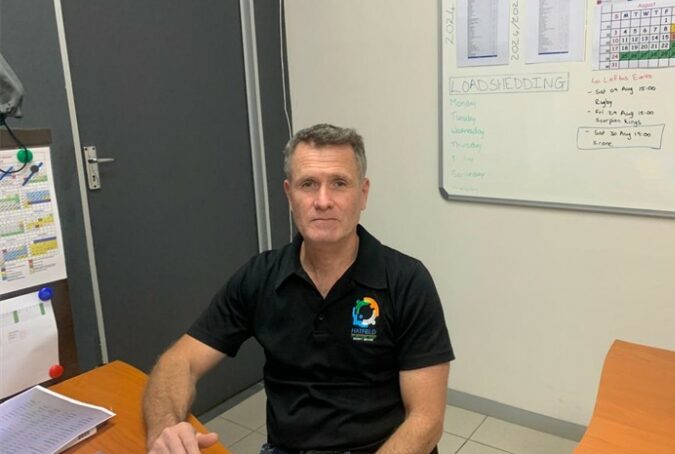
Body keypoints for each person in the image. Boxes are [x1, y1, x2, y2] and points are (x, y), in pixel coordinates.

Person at [143, 123, 454, 453]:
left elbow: (426, 420)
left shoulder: (407, 281)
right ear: (289, 194)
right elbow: (179, 361)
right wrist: (165, 428)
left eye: (339, 183)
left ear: (363, 194)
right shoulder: (259, 277)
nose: (323, 201)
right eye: (308, 184)